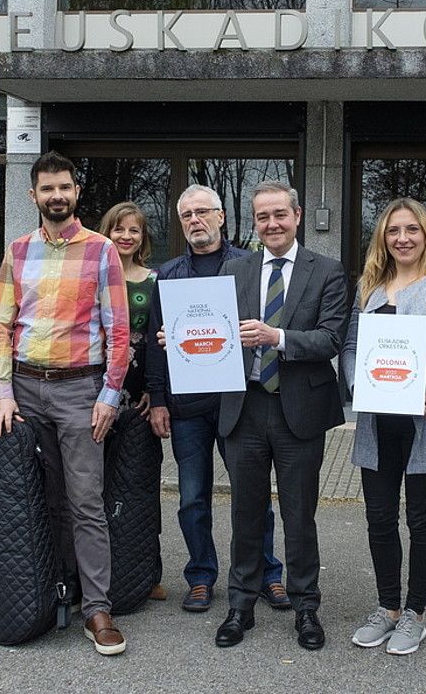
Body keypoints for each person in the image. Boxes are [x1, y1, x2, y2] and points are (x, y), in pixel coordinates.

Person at [0, 151, 131, 656]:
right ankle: (45, 591)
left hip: (78, 392)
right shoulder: (17, 251)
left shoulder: (102, 250)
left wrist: (109, 395)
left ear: (76, 191)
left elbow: (120, 332)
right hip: (25, 390)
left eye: (64, 187)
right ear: (33, 195)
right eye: (47, 189)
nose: (57, 196)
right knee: (36, 499)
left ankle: (97, 608)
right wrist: (2, 392)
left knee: (85, 500)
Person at [211, 181, 347, 651]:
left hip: (299, 412)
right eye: (263, 217)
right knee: (245, 513)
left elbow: (331, 339)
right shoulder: (235, 270)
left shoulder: (327, 271)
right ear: (254, 221)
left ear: (298, 215)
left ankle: (306, 607)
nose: (271, 224)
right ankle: (240, 605)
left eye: (280, 215)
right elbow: (216, 332)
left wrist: (278, 337)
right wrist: (185, 342)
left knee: (299, 515)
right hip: (243, 409)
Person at [340, 198, 426, 656]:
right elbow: (351, 348)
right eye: (394, 230)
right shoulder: (370, 286)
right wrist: (359, 382)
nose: (402, 238)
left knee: (421, 519)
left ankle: (415, 614)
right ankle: (387, 608)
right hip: (379, 425)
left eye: (411, 230)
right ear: (383, 236)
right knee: (379, 518)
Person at [145, 184, 288, 614]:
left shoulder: (249, 265)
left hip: (237, 401)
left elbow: (262, 326)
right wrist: (156, 399)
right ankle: (201, 575)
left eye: (203, 212)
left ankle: (267, 573)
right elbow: (155, 344)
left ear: (221, 217)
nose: (195, 221)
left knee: (253, 492)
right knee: (192, 496)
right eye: (186, 215)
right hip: (186, 405)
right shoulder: (168, 274)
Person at [98, 201, 165, 603]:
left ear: (143, 238)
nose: (125, 236)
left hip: (139, 392)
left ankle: (145, 571)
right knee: (95, 485)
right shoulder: (92, 275)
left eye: (134, 231)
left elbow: (160, 341)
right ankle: (95, 569)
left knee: (141, 483)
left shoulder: (155, 281)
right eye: (118, 229)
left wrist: (154, 392)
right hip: (98, 389)